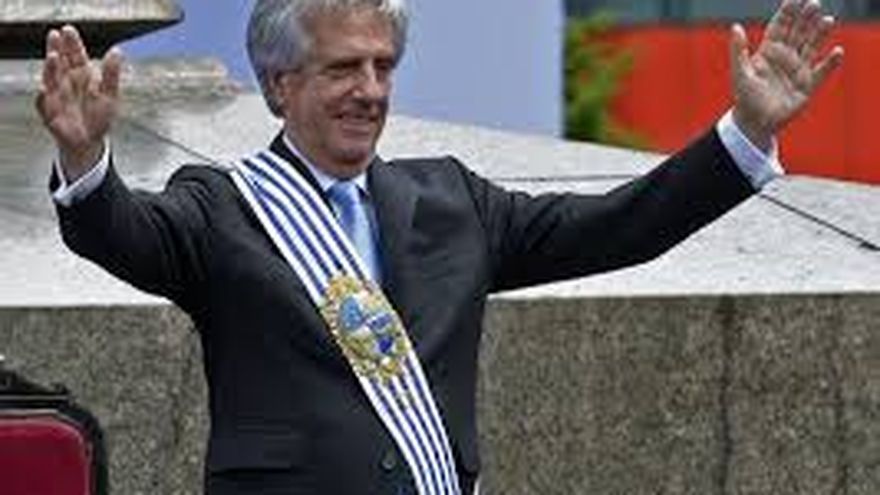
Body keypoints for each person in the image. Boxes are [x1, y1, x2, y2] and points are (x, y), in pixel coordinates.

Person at [36, 0, 843, 494]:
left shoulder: (453, 201)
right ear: (279, 83)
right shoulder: (222, 209)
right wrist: (83, 157)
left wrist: (746, 132)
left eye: (383, 66)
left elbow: (621, 225)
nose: (370, 90)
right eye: (343, 68)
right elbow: (122, 233)